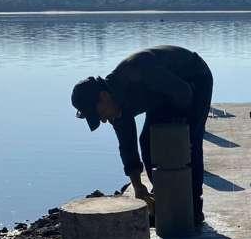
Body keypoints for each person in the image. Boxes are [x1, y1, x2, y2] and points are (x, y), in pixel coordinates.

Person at [71, 45, 213, 223]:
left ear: (104, 96)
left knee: (188, 142)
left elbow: (183, 93)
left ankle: (193, 207)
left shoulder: (137, 71)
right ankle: (164, 196)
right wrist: (138, 186)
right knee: (147, 141)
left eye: (100, 114)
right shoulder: (115, 109)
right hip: (163, 96)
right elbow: (127, 147)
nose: (104, 120)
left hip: (194, 78)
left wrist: (175, 129)